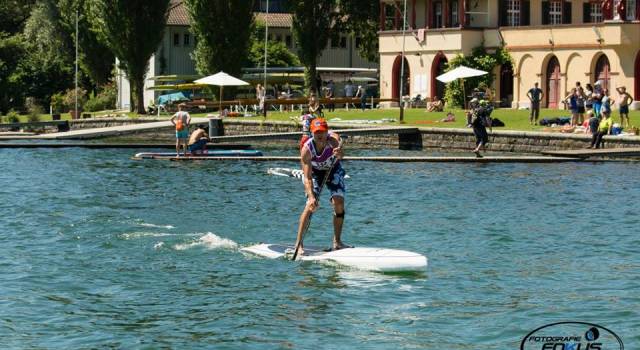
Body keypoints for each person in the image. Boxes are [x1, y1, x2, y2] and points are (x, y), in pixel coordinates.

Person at [294, 118, 348, 255]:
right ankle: (298, 244)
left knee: (338, 202)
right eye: (317, 132)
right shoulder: (307, 149)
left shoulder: (333, 141)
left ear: (327, 132)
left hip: (333, 170)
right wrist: (312, 197)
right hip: (315, 174)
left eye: (323, 132)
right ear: (312, 132)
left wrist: (340, 153)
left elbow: (342, 155)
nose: (320, 135)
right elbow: (307, 177)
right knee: (310, 206)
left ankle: (337, 242)